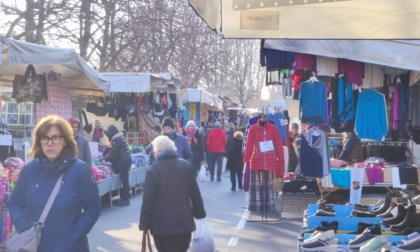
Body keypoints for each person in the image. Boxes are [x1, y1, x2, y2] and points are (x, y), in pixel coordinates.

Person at [8, 115, 101, 252]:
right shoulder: (29, 170)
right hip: (36, 245)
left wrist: (74, 235)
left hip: (71, 247)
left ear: (65, 141)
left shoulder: (81, 170)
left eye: (55, 138)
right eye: (45, 138)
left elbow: (93, 207)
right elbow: (15, 203)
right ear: (39, 142)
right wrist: (26, 228)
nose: (50, 143)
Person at [139, 136, 206, 252]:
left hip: (161, 227)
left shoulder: (154, 170)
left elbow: (148, 201)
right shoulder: (186, 166)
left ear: (159, 151)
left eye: (154, 151)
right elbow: (195, 194)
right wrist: (200, 213)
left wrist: (144, 224)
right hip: (184, 224)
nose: (153, 153)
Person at [103, 125, 132, 206]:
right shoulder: (120, 137)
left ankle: (126, 200)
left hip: (123, 161)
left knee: (124, 180)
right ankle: (124, 198)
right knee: (125, 180)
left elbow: (113, 152)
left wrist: (105, 159)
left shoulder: (116, 139)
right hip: (126, 160)